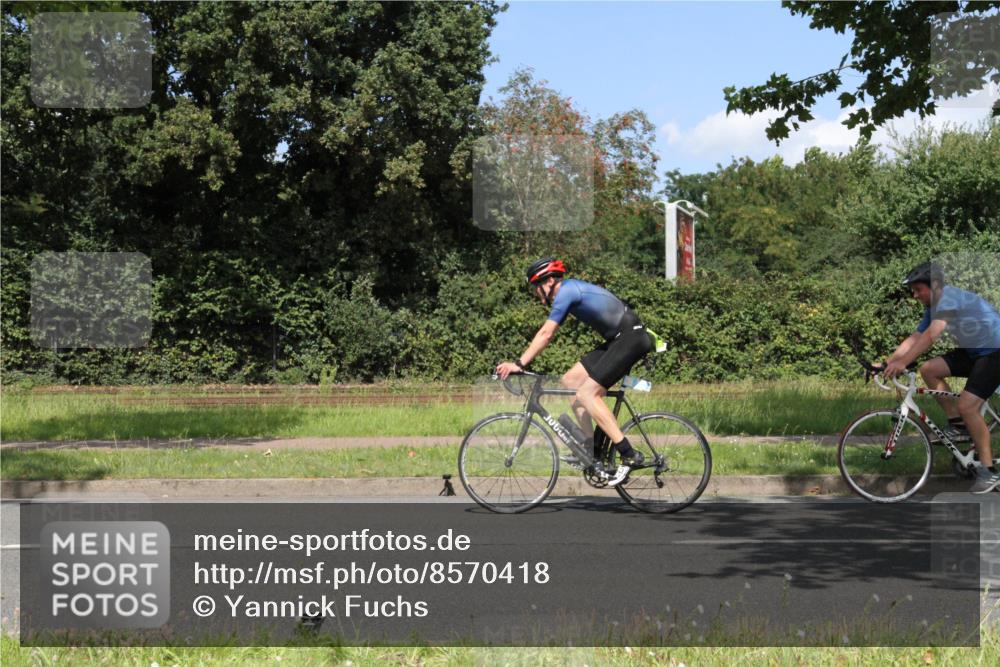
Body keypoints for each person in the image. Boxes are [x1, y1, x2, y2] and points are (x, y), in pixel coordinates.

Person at [495, 257, 653, 486]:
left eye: (536, 287)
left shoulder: (566, 292)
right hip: (619, 339)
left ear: (549, 281)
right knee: (570, 381)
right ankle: (591, 452)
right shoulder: (568, 291)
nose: (536, 293)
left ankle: (629, 454)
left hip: (630, 338)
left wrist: (519, 364)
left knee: (587, 394)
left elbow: (546, 334)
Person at [884, 261, 1000, 493]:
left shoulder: (948, 299)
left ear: (935, 285)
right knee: (929, 369)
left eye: (918, 289)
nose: (915, 295)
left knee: (968, 406)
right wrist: (888, 363)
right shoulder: (933, 306)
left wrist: (903, 363)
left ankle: (988, 472)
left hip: (995, 352)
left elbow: (930, 336)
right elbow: (915, 336)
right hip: (974, 352)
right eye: (913, 291)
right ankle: (958, 425)